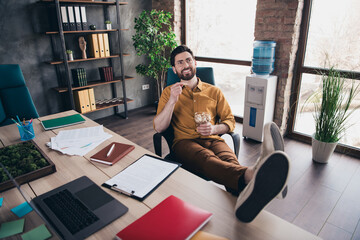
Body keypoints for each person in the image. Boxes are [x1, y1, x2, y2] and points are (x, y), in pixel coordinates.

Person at [153, 45, 290, 222]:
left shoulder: (214, 91)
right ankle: (255, 174)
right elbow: (159, 127)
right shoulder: (168, 92)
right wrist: (172, 101)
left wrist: (215, 129)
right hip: (184, 143)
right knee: (207, 158)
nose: (185, 65)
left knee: (230, 161)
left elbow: (230, 121)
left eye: (188, 60)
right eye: (180, 62)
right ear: (175, 69)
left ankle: (245, 201)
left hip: (213, 138)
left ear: (195, 63)